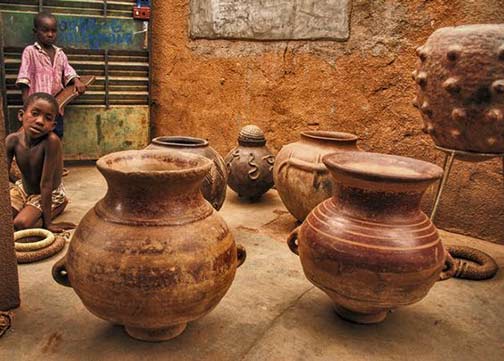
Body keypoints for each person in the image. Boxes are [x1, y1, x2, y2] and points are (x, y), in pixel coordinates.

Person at [6, 92, 75, 232]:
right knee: (5, 219)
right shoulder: (12, 140)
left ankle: (60, 204)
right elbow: (3, 176)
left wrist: (48, 224)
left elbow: (46, 184)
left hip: (49, 192)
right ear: (21, 115)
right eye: (35, 113)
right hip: (23, 189)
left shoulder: (51, 142)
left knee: (20, 224)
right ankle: (28, 209)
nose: (40, 121)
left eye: (47, 118)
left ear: (53, 125)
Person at [16, 11, 86, 139]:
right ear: (35, 31)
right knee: (36, 139)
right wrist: (27, 107)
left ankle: (53, 158)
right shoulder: (30, 52)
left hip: (56, 106)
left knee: (56, 136)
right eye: (45, 31)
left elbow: (68, 70)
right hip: (37, 108)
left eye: (53, 31)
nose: (50, 34)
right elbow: (24, 79)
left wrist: (76, 80)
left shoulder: (60, 54)